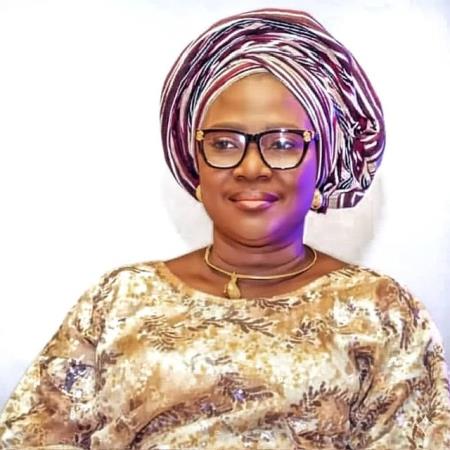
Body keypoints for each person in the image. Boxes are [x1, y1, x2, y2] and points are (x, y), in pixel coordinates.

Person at [1, 7, 449, 450]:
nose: (251, 167)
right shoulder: (120, 297)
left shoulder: (381, 309)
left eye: (282, 144)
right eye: (224, 143)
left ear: (322, 162)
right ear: (195, 164)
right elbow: (35, 436)